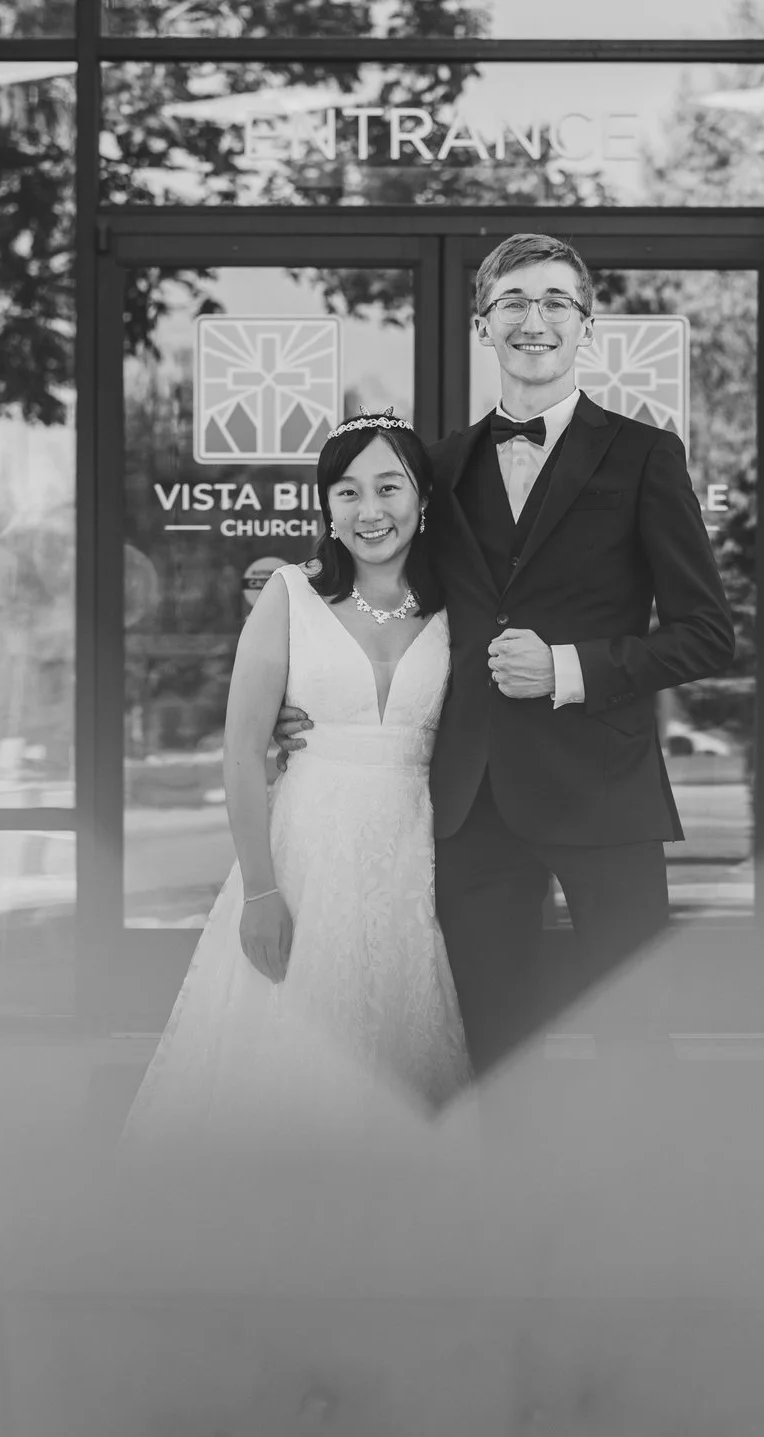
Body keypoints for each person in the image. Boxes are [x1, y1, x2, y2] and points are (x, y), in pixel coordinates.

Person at [279, 234, 734, 1073]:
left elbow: (706, 633)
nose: (535, 319)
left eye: (557, 301)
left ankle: (637, 1202)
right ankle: (506, 1199)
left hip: (606, 793)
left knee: (635, 1039)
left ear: (587, 327)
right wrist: (300, 667)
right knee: (489, 1041)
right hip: (472, 800)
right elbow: (385, 584)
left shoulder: (644, 457)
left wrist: (566, 668)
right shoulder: (440, 467)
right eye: (514, 303)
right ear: (484, 327)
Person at [124, 415, 470, 1142]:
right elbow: (243, 749)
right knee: (285, 1055)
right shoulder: (291, 595)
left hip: (415, 858)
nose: (369, 510)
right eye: (346, 492)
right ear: (327, 508)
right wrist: (260, 890)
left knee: (400, 1048)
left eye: (388, 487)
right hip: (305, 852)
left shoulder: (459, 608)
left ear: (424, 500)